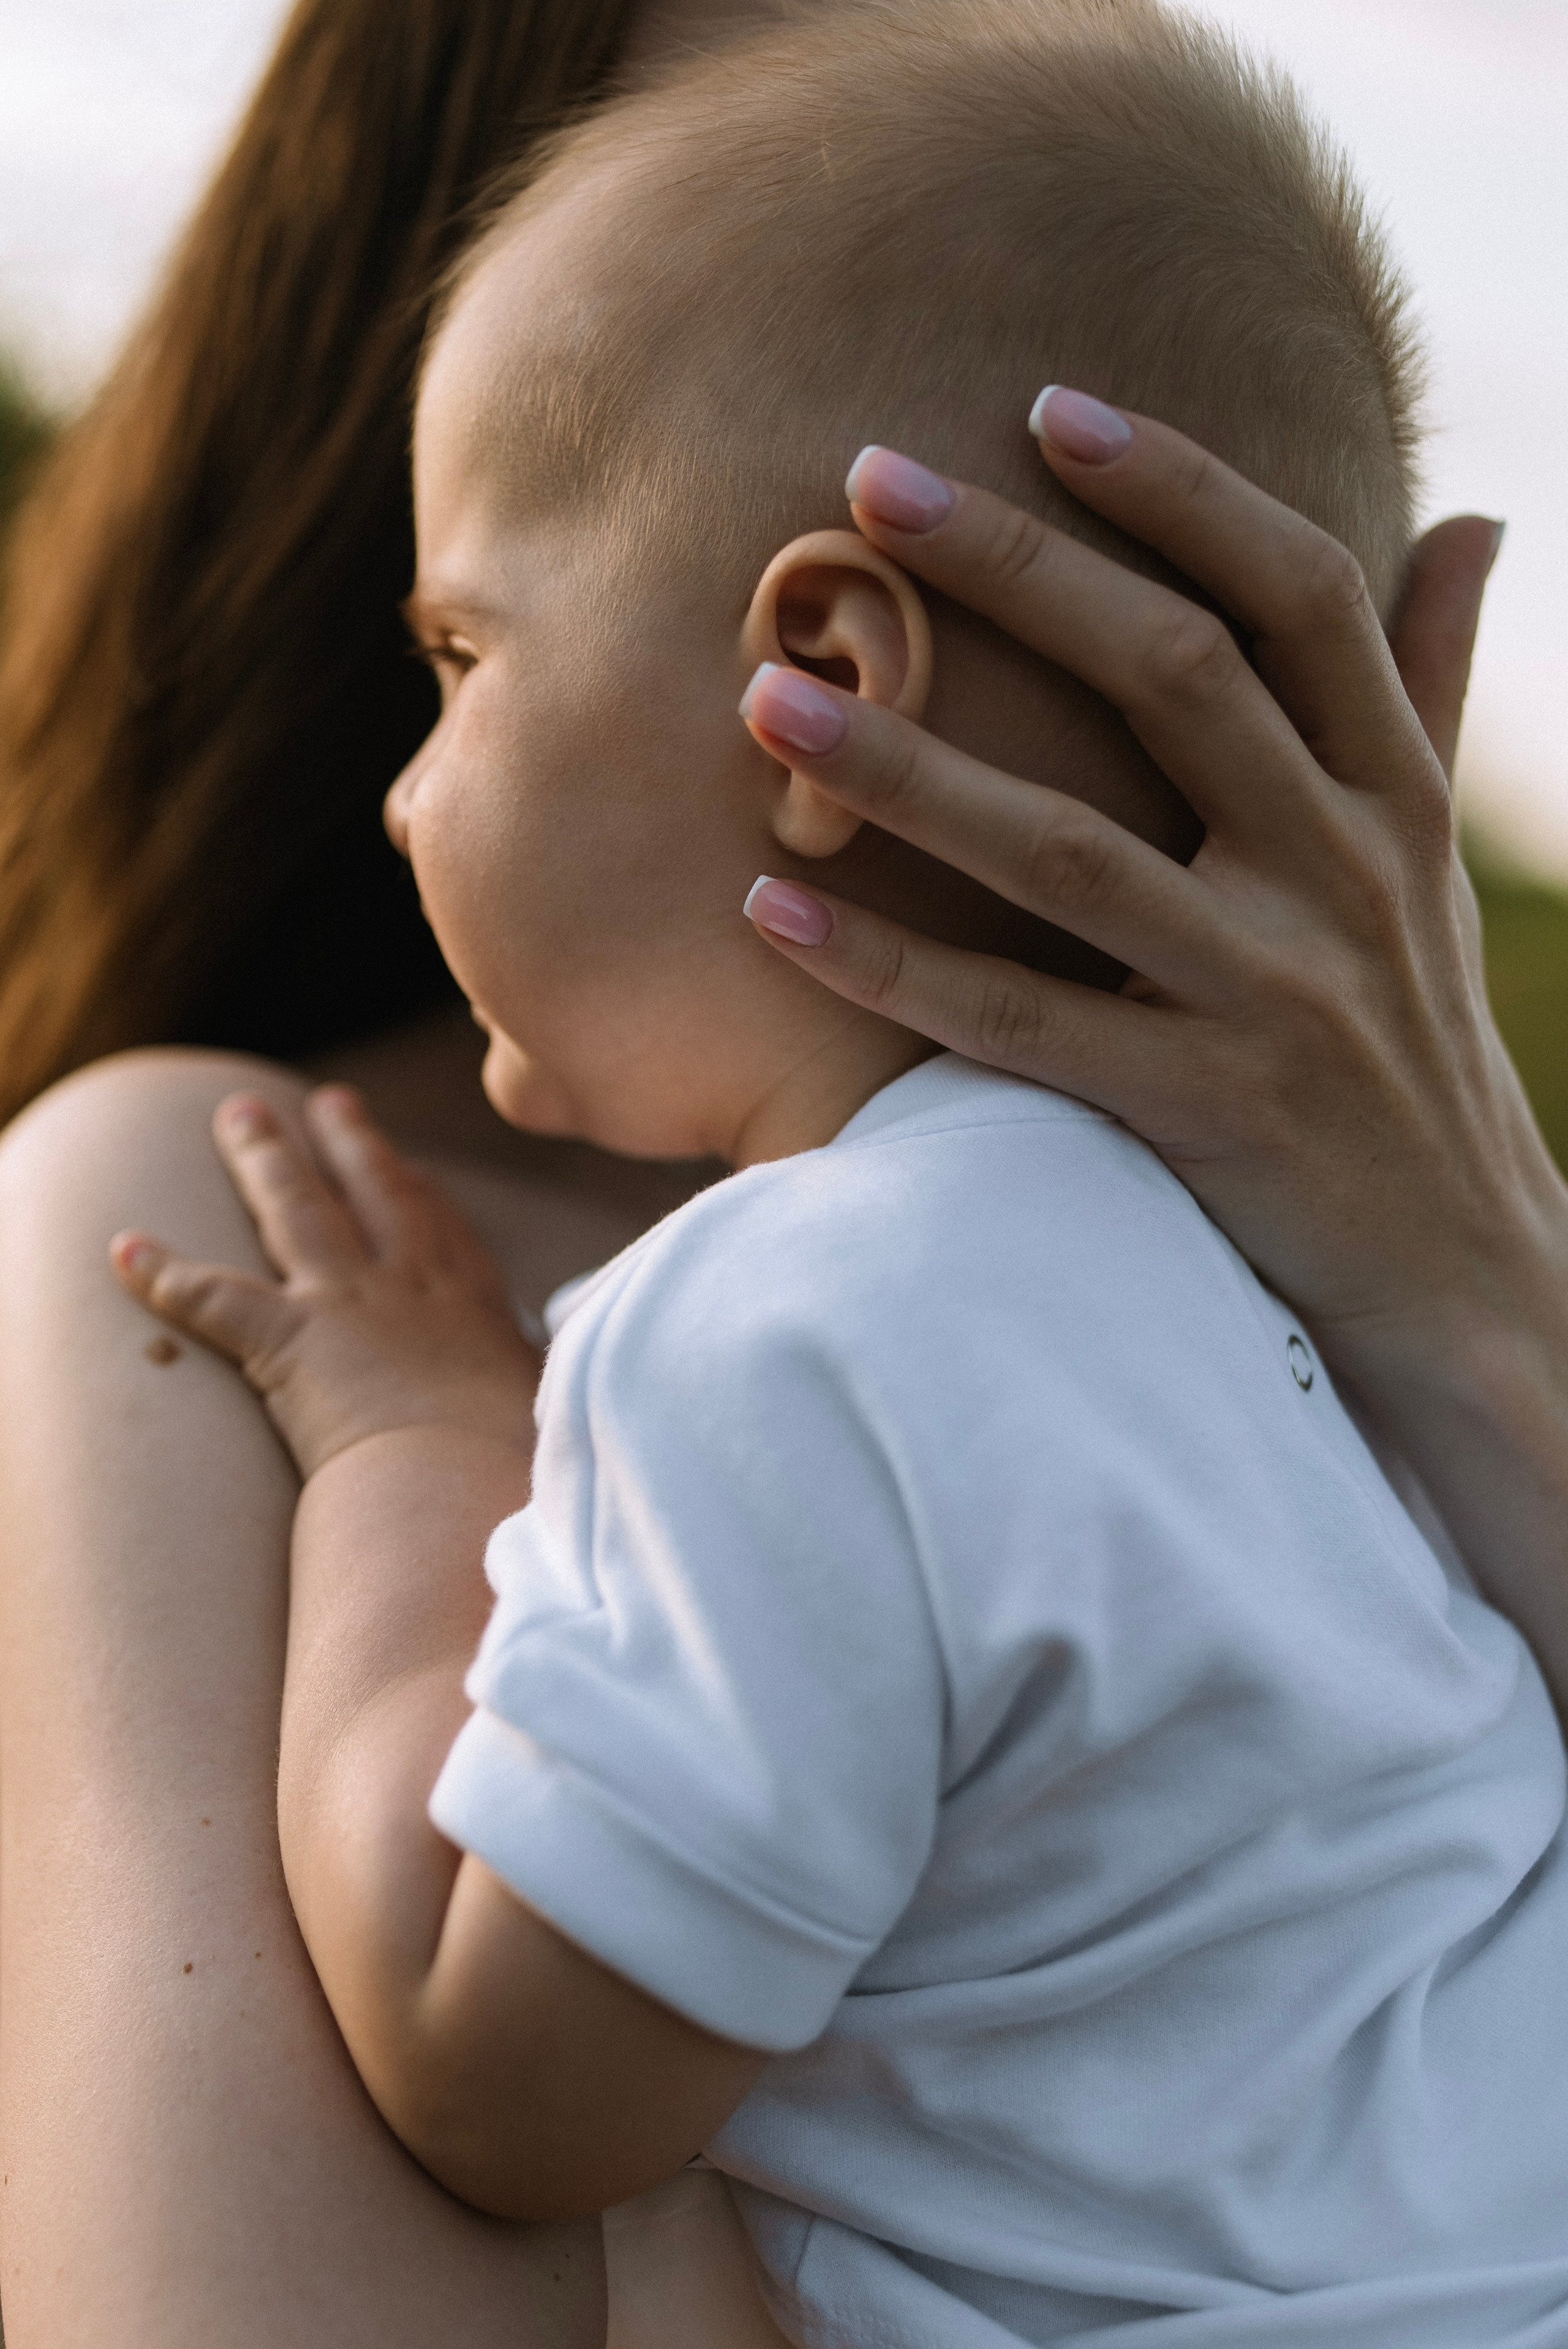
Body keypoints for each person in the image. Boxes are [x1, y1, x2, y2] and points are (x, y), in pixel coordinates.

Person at [15, 4, 1555, 2345]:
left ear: (822, 678)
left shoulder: (782, 1326)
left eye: (462, 655)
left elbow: (500, 2064)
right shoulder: (1274, 1390)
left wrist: (426, 1453)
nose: (415, 789)